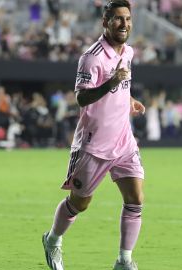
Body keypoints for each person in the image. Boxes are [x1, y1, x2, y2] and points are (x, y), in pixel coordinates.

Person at [42, 1, 146, 270]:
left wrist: (130, 100)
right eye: (118, 19)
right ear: (105, 22)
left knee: (135, 199)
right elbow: (81, 97)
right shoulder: (92, 57)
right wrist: (110, 83)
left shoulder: (129, 52)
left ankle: (124, 261)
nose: (124, 24)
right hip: (94, 145)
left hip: (123, 141)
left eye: (127, 19)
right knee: (80, 204)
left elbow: (122, 87)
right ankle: (53, 240)